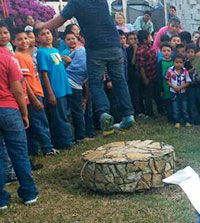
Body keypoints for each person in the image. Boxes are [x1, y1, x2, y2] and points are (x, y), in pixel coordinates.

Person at [36, 0, 135, 134]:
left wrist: (42, 25)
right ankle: (128, 115)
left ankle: (103, 113)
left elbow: (58, 21)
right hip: (114, 45)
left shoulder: (76, 3)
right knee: (120, 81)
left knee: (95, 83)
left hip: (96, 48)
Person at [0, 20, 39, 209]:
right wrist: (24, 113)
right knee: (19, 153)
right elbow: (17, 89)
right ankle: (29, 193)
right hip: (9, 109)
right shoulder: (9, 58)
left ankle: (0, 199)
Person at [13, 29, 57, 156]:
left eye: (26, 38)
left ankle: (34, 150)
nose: (24, 41)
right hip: (32, 94)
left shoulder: (27, 55)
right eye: (20, 39)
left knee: (33, 124)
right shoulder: (19, 57)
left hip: (37, 92)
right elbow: (24, 81)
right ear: (14, 42)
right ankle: (47, 148)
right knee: (40, 122)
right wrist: (34, 99)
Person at [36, 28, 74, 149]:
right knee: (59, 116)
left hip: (64, 88)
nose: (47, 36)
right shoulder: (41, 52)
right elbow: (44, 74)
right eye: (43, 34)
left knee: (65, 114)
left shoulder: (55, 50)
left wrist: (67, 62)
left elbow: (59, 68)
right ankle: (65, 142)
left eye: (48, 33)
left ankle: (68, 138)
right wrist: (50, 93)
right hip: (55, 90)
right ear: (38, 38)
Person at [62, 31, 89, 142]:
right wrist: (67, 62)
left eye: (73, 38)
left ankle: (77, 135)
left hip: (79, 83)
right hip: (72, 82)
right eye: (68, 39)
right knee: (76, 111)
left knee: (76, 110)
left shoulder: (82, 50)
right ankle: (79, 136)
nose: (72, 41)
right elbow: (63, 65)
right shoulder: (77, 51)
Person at [135, 30, 157, 118]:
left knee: (152, 94)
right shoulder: (141, 50)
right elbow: (141, 67)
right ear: (144, 40)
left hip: (153, 75)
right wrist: (145, 79)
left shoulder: (149, 47)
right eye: (149, 37)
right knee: (147, 95)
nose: (151, 38)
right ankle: (149, 112)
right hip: (147, 76)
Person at [165, 54, 191, 128]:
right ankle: (177, 121)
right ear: (173, 62)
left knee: (184, 107)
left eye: (180, 62)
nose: (178, 64)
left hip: (183, 92)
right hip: (173, 92)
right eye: (177, 62)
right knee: (175, 107)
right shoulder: (170, 70)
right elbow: (167, 80)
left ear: (183, 63)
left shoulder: (185, 71)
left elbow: (188, 81)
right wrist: (173, 87)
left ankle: (187, 121)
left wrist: (181, 87)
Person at [159, 43, 175, 121]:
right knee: (167, 101)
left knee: (174, 100)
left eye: (168, 50)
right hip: (165, 85)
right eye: (164, 51)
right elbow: (158, 76)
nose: (166, 52)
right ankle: (170, 117)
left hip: (175, 84)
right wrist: (161, 89)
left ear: (171, 52)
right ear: (160, 52)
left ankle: (176, 115)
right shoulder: (160, 63)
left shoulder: (174, 62)